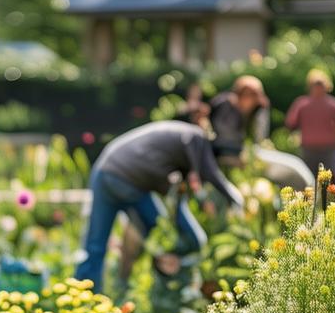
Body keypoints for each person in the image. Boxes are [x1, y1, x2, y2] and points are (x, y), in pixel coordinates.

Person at [75, 120, 243, 292]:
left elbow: (175, 191)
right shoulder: (196, 138)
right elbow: (211, 174)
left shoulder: (181, 148)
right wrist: (235, 200)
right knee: (160, 231)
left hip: (105, 171)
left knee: (95, 247)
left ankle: (85, 300)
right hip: (124, 177)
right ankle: (156, 286)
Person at [285, 69, 335, 186]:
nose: (318, 87)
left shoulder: (334, 104)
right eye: (315, 84)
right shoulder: (302, 103)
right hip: (308, 149)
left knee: (331, 181)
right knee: (307, 180)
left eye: (321, 84)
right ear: (310, 86)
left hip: (329, 149)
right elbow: (290, 122)